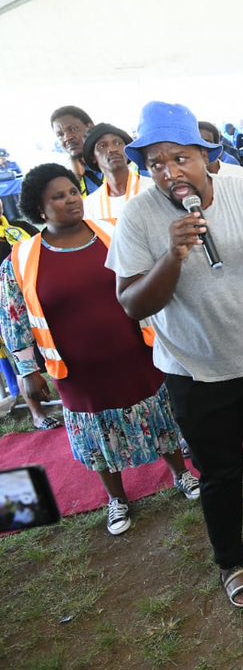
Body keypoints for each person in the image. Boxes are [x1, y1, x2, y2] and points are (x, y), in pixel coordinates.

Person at [107, 101, 243, 609]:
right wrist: (171, 256)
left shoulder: (237, 189)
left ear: (206, 156)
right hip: (194, 369)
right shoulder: (140, 215)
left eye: (179, 158)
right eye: (156, 163)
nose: (169, 172)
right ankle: (231, 561)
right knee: (220, 472)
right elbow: (132, 302)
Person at [0, 163, 199, 536]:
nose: (71, 200)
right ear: (40, 210)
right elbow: (13, 318)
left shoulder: (114, 232)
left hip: (136, 353)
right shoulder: (21, 259)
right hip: (76, 371)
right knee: (96, 438)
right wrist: (28, 372)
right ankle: (117, 498)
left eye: (73, 192)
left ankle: (181, 474)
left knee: (160, 418)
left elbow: (150, 280)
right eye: (58, 197)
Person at [82, 123, 153, 220]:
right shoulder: (90, 205)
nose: (112, 149)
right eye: (102, 146)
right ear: (93, 157)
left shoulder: (153, 188)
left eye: (118, 143)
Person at [50, 105, 102, 195]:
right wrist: (75, 178)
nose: (67, 138)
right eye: (60, 134)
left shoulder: (119, 159)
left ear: (90, 127)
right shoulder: (64, 178)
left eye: (73, 129)